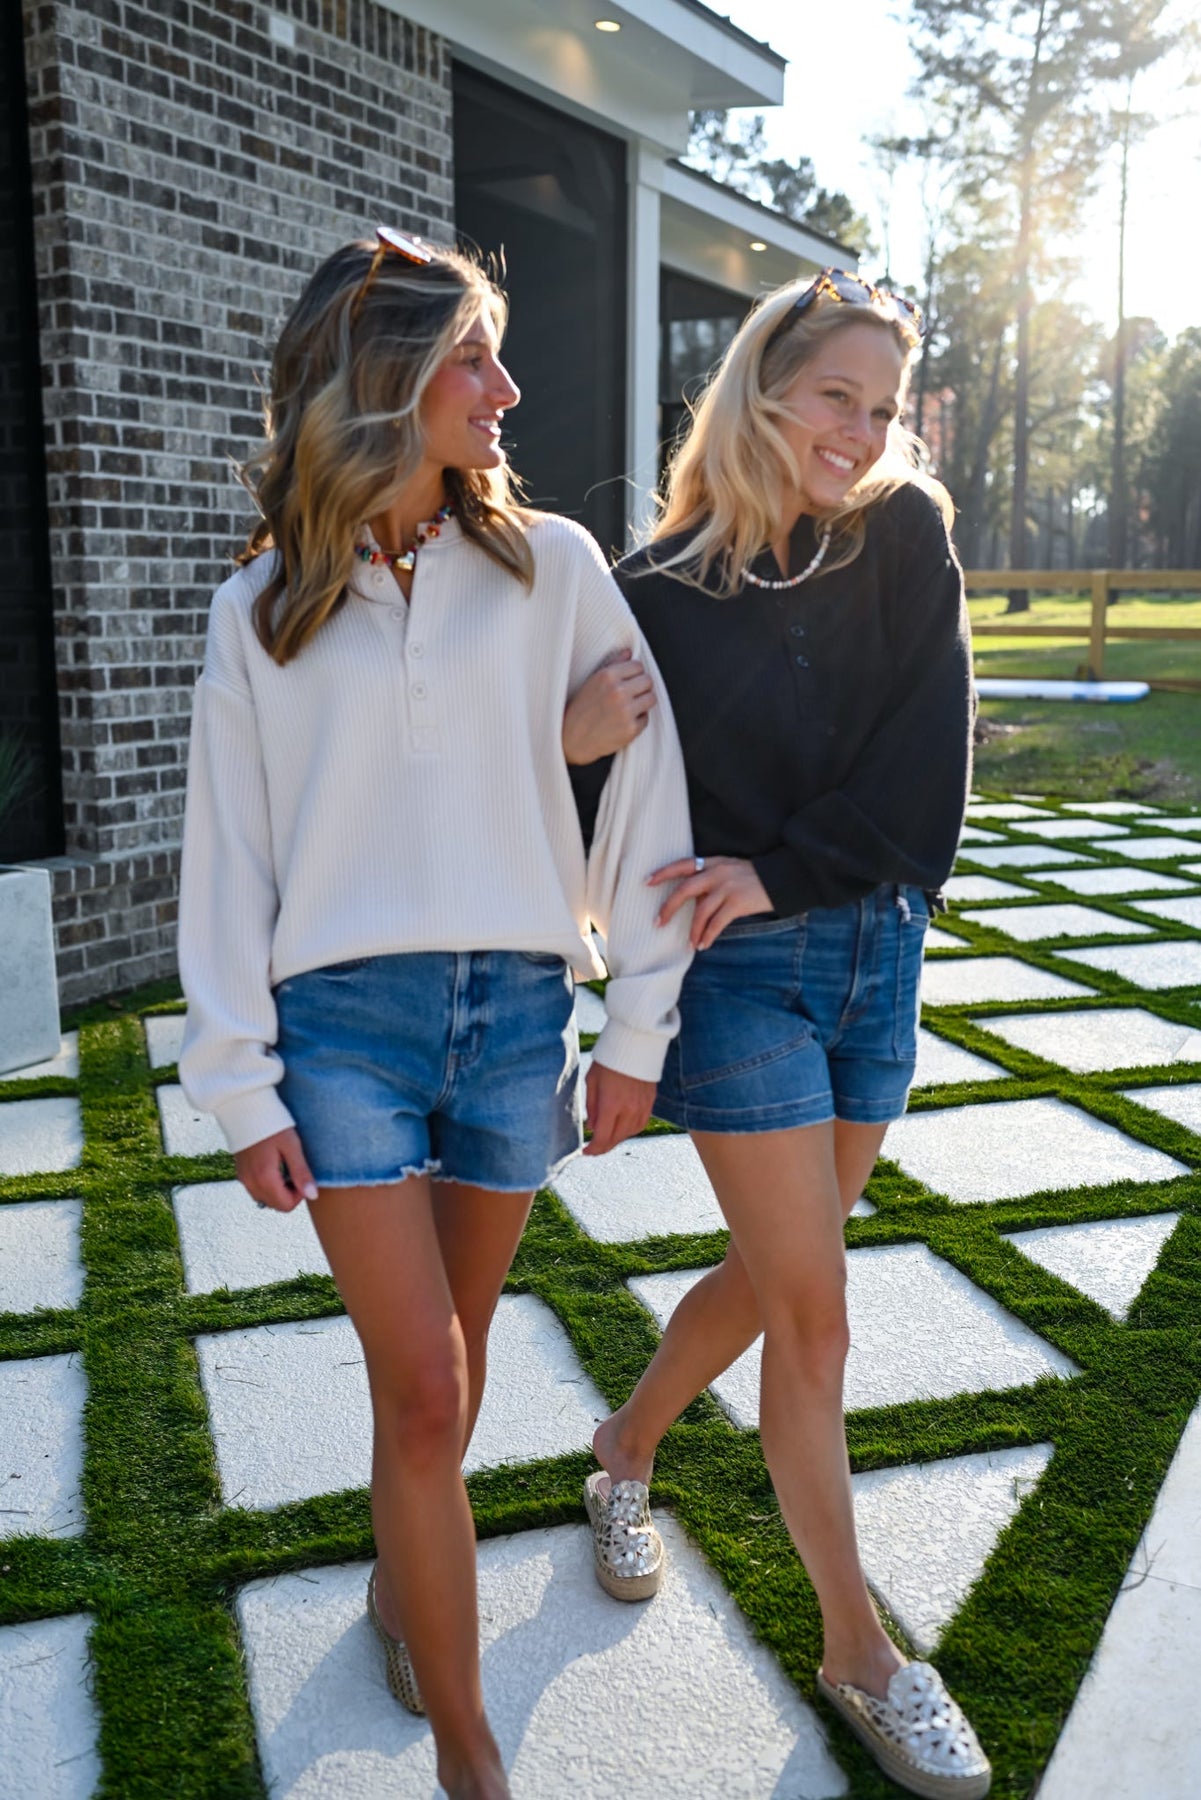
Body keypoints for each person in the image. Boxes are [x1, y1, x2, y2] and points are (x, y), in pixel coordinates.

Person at [176, 229, 693, 1800]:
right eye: (472, 354)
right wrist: (239, 1087)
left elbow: (648, 803)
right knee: (418, 1386)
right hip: (339, 1031)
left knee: (448, 1376)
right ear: (382, 374)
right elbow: (231, 857)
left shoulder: (555, 569)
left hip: (515, 1014)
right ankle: (474, 1760)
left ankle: (407, 1594)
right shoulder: (262, 608)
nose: (505, 388)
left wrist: (635, 1033)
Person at [568, 270, 990, 1799]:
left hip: (878, 955)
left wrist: (796, 865)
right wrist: (570, 743)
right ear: (761, 386)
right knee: (815, 1317)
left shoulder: (902, 533)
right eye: (834, 397)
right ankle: (856, 1651)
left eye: (881, 409)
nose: (860, 433)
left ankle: (622, 1448)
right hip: (739, 977)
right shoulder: (652, 589)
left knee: (771, 1279)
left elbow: (929, 754)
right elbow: (580, 793)